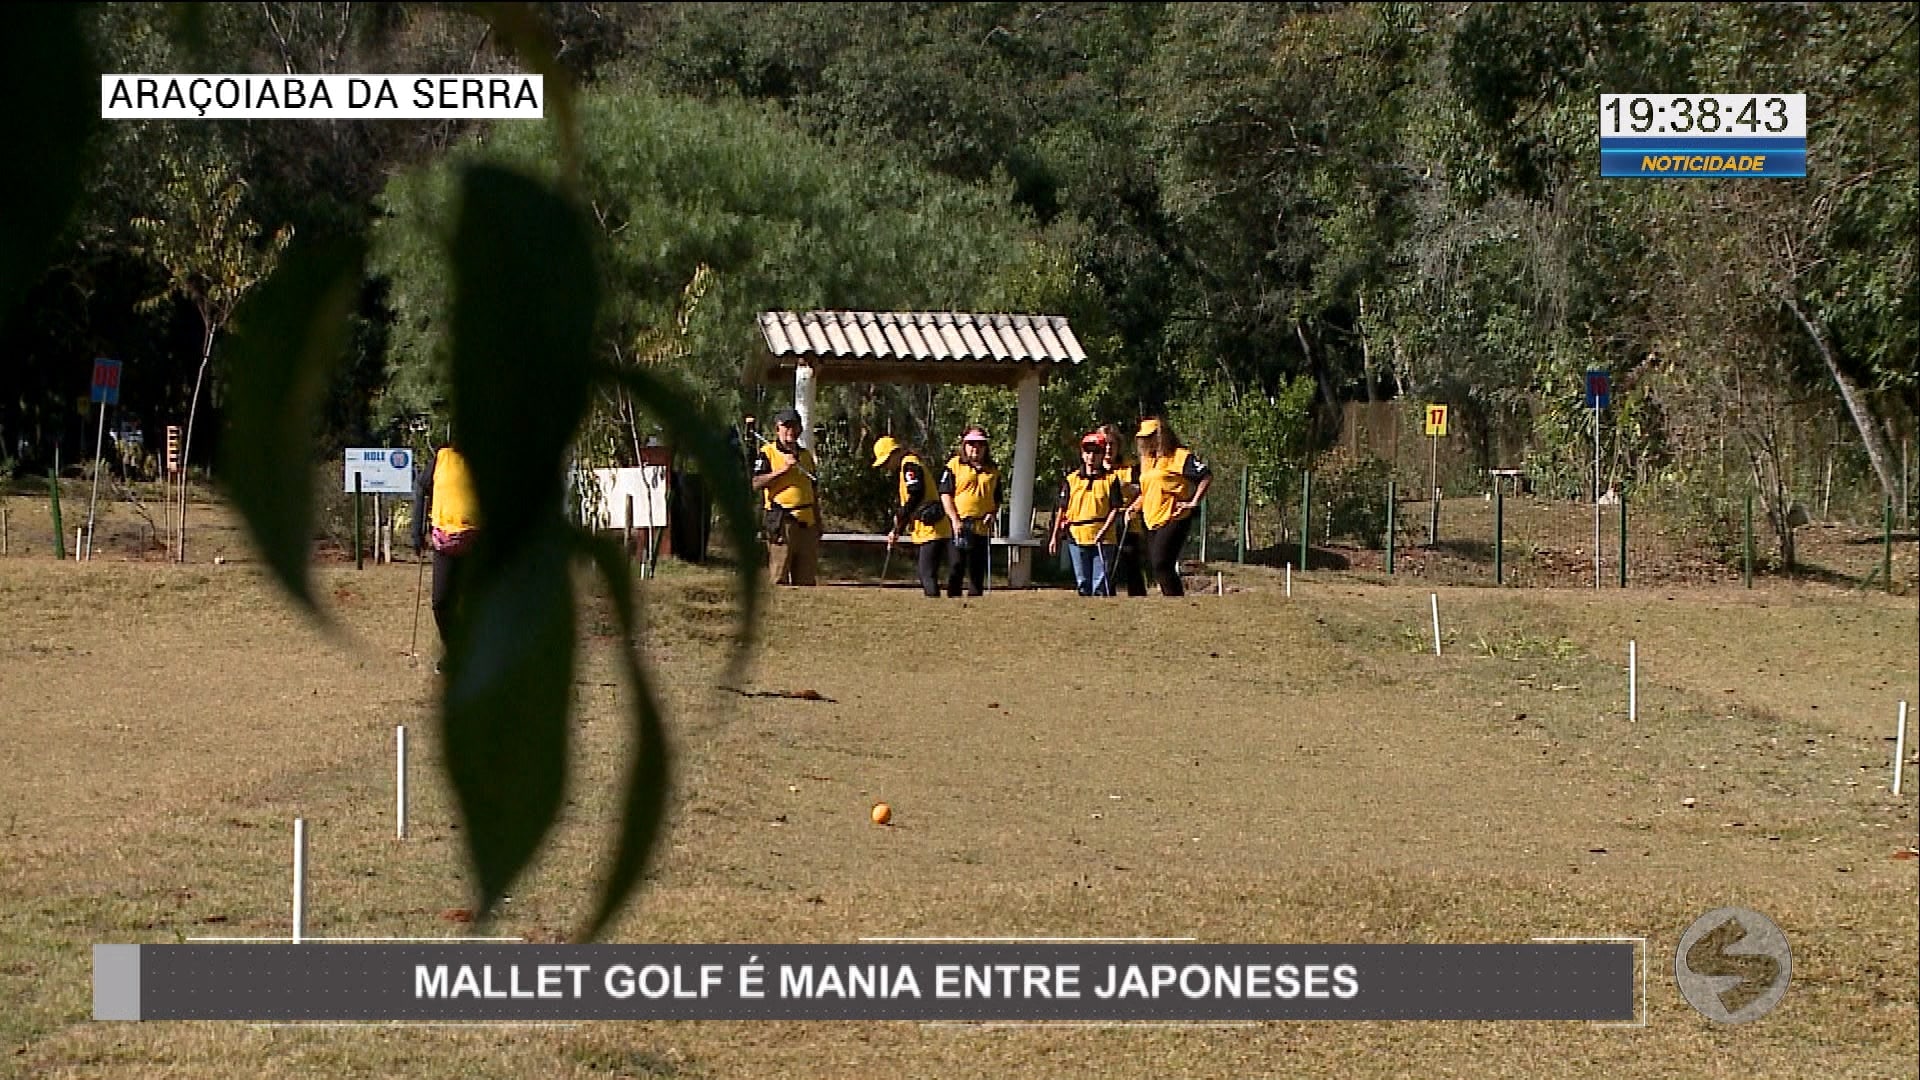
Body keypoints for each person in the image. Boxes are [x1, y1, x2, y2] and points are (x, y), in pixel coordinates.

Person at [412, 436, 479, 663]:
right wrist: (416, 531)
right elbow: (421, 487)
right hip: (444, 542)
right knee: (441, 602)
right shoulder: (441, 459)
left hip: (476, 541)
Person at [1129, 416, 1212, 596]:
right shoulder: (1147, 462)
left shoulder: (1179, 456)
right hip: (1151, 518)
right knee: (1156, 565)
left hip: (1174, 516)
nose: (1144, 442)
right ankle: (1172, 600)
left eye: (1149, 437)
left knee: (1162, 562)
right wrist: (1134, 507)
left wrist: (1193, 502)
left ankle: (1175, 600)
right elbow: (1147, 490)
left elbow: (1205, 476)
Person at [872, 435, 953, 597]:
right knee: (926, 572)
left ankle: (934, 605)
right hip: (927, 529)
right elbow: (909, 503)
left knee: (926, 572)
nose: (886, 467)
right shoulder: (907, 465)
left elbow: (916, 493)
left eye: (887, 461)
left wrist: (901, 514)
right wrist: (897, 529)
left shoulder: (909, 465)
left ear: (895, 453)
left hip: (932, 527)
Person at [1048, 431, 1123, 596]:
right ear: (1082, 454)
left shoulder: (1111, 479)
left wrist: (1103, 532)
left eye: (1096, 452)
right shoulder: (1072, 479)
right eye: (1088, 451)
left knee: (1100, 584)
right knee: (1083, 582)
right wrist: (1055, 536)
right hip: (1077, 536)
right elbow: (1063, 508)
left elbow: (1115, 508)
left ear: (1102, 454)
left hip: (1103, 538)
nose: (1091, 456)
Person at [751, 409, 820, 586]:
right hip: (783, 522)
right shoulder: (767, 452)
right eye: (786, 426)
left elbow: (813, 489)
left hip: (807, 522)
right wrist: (782, 470)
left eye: (795, 426)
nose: (791, 430)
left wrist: (818, 521)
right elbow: (756, 483)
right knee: (779, 576)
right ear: (777, 428)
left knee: (806, 579)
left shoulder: (806, 456)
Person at [942, 426, 1001, 597]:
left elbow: (997, 498)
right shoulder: (954, 465)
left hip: (981, 526)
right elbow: (945, 494)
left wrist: (992, 513)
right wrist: (954, 520)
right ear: (964, 445)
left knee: (977, 570)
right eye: (971, 443)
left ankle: (976, 603)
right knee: (956, 566)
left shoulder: (993, 470)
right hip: (959, 524)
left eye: (980, 444)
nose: (976, 447)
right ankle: (953, 600)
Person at [1100, 423, 1150, 597]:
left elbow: (1144, 491)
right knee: (1107, 567)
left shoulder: (1130, 468)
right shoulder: (1094, 470)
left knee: (1132, 566)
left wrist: (1132, 509)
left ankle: (1138, 598)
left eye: (1112, 444)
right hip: (1104, 524)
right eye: (1104, 444)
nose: (1108, 448)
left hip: (1128, 523)